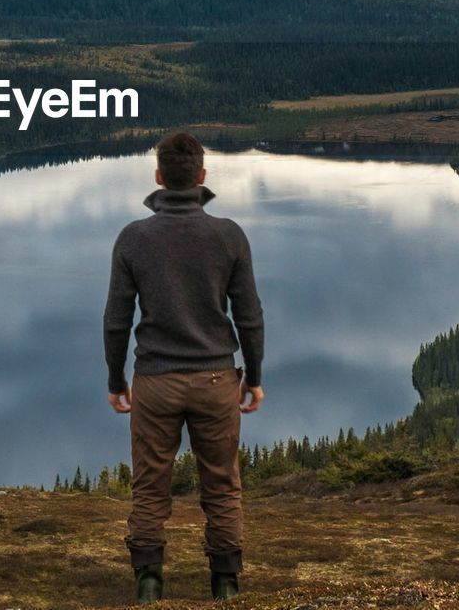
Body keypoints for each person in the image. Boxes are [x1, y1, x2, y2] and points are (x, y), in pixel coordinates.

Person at [103, 131, 265, 604]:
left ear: (159, 177)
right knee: (222, 484)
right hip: (217, 379)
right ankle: (226, 583)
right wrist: (253, 376)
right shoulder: (229, 235)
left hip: (154, 381)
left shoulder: (134, 238)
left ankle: (149, 582)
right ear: (201, 177)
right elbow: (249, 316)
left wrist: (116, 381)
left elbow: (117, 320)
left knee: (150, 485)